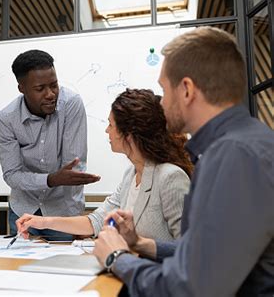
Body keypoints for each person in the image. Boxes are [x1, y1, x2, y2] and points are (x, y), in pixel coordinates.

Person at [93, 27, 274, 296]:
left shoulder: (234, 156)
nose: (162, 104)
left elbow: (192, 287)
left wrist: (117, 258)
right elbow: (210, 252)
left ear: (187, 89)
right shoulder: (242, 144)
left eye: (164, 90)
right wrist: (141, 244)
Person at [16, 89, 192, 242]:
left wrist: (136, 246)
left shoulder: (170, 177)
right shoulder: (132, 174)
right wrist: (43, 222)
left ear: (129, 135)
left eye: (111, 124)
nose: (107, 130)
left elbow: (187, 249)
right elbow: (97, 221)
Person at [0, 49, 100, 239]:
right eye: (40, 88)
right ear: (22, 88)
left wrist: (73, 214)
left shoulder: (72, 104)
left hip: (63, 213)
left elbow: (74, 168)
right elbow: (12, 175)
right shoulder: (7, 119)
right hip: (24, 212)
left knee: (66, 266)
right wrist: (51, 179)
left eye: (54, 85)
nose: (51, 94)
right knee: (20, 266)